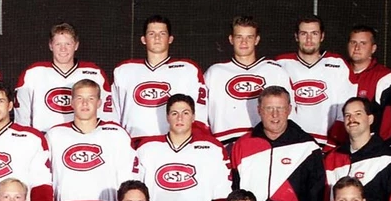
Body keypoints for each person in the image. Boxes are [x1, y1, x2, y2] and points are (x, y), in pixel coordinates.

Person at [229, 86, 326, 201]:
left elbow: (318, 189)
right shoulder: (242, 144)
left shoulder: (308, 146)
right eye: (269, 108)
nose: (275, 115)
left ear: (289, 109)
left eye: (280, 108)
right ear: (259, 110)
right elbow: (234, 186)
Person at [131, 94, 231, 201]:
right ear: (167, 117)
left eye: (185, 113)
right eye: (174, 113)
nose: (179, 118)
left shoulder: (213, 149)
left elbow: (221, 190)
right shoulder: (147, 148)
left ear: (193, 117)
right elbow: (135, 189)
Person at [45, 79, 135, 201]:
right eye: (79, 98)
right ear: (71, 102)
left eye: (91, 98)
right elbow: (45, 179)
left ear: (99, 102)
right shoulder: (54, 135)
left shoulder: (117, 134)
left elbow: (127, 181)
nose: (85, 103)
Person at [112, 15, 207, 140]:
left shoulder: (188, 70)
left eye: (162, 33)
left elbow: (200, 112)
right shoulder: (124, 70)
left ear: (170, 39)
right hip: (134, 143)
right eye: (151, 33)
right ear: (143, 39)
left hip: (172, 144)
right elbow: (113, 112)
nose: (157, 38)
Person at [202, 16, 291, 146]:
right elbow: (201, 113)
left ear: (257, 40)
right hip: (225, 143)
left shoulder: (274, 71)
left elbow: (288, 111)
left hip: (265, 142)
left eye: (249, 37)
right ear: (231, 39)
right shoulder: (214, 72)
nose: (244, 42)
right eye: (239, 37)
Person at [14, 22, 115, 132]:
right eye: (58, 44)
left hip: (82, 138)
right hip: (44, 138)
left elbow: (107, 114)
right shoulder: (33, 73)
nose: (63, 49)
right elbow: (21, 118)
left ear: (76, 45)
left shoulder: (94, 73)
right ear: (50, 45)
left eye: (68, 44)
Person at [274, 14, 356, 148]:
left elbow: (347, 105)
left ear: (322, 36)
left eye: (314, 33)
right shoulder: (281, 64)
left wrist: (336, 140)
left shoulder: (338, 64)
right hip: (289, 143)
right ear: (296, 36)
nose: (309, 39)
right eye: (303, 34)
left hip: (328, 145)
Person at [345, 24, 391, 140]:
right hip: (340, 147)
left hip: (374, 149)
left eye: (363, 43)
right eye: (353, 42)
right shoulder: (338, 71)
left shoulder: (387, 78)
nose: (357, 48)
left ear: (373, 48)